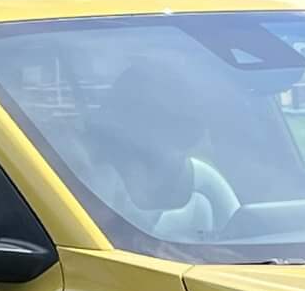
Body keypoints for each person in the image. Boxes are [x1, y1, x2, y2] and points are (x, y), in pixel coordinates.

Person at [83, 61, 240, 242]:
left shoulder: (202, 182)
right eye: (152, 117)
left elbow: (239, 237)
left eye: (182, 123)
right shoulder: (87, 181)